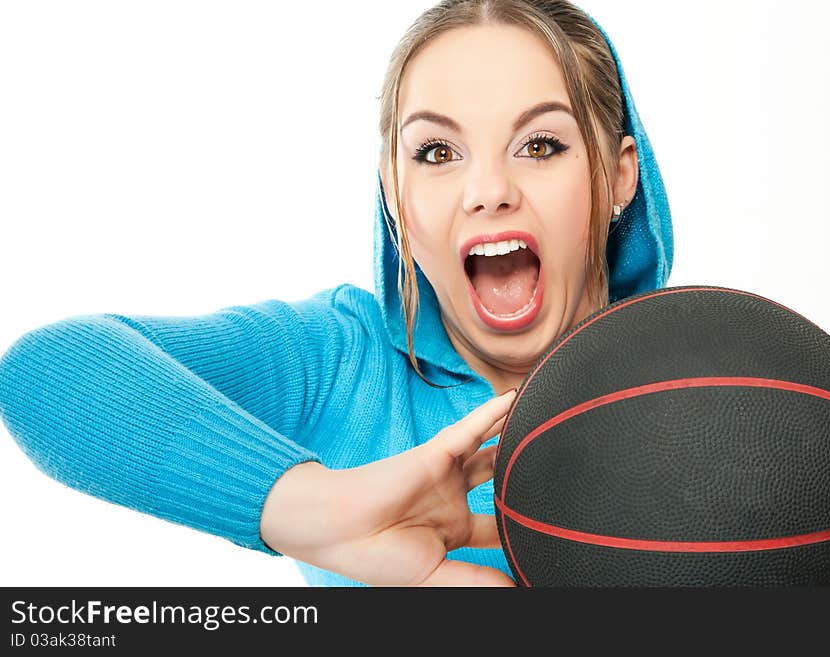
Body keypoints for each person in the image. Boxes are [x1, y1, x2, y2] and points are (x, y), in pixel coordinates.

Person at [0, 0, 674, 587]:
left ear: (618, 177)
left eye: (541, 144)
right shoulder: (342, 358)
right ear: (393, 192)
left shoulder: (715, 389)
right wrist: (324, 510)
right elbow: (44, 372)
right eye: (438, 153)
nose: (489, 190)